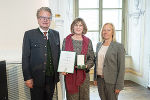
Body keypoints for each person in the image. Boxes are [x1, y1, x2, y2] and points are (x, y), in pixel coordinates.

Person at [22, 7, 60, 100]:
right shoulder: (29, 34)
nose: (45, 20)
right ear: (38, 19)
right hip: (36, 79)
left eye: (48, 18)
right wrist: (27, 77)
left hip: (51, 78)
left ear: (51, 20)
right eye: (42, 17)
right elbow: (25, 58)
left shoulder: (56, 34)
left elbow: (58, 54)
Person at [61, 17, 95, 100]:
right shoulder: (66, 40)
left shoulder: (88, 41)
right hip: (70, 75)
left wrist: (86, 66)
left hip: (83, 75)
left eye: (80, 25)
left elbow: (92, 58)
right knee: (72, 97)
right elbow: (63, 57)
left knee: (84, 97)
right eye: (76, 25)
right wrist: (63, 68)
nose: (78, 27)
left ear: (83, 28)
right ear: (73, 27)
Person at [94, 23, 125, 100]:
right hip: (100, 80)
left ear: (113, 32)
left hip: (112, 82)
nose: (106, 32)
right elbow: (97, 62)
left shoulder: (119, 46)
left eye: (108, 30)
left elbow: (121, 68)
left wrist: (119, 85)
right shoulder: (98, 45)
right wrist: (95, 78)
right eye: (104, 30)